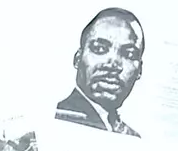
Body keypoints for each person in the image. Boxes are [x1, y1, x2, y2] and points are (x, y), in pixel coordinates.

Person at [55, 8, 145, 136]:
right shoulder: (56, 118)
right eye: (100, 49)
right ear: (77, 59)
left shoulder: (132, 137)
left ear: (139, 70)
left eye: (129, 54)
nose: (113, 64)